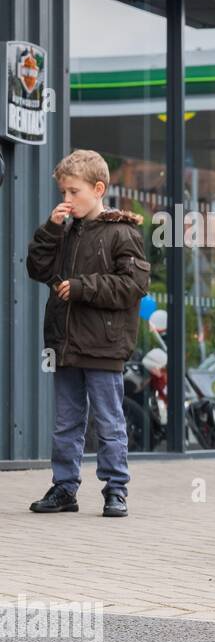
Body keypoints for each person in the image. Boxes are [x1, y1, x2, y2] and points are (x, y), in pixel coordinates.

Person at [25, 149, 150, 518]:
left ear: (98, 189)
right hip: (65, 345)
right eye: (63, 192)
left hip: (104, 346)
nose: (66, 200)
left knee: (109, 421)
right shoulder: (62, 231)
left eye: (73, 192)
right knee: (66, 422)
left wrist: (82, 287)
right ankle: (64, 488)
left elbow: (134, 285)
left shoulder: (122, 232)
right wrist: (49, 228)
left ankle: (116, 490)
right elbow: (36, 267)